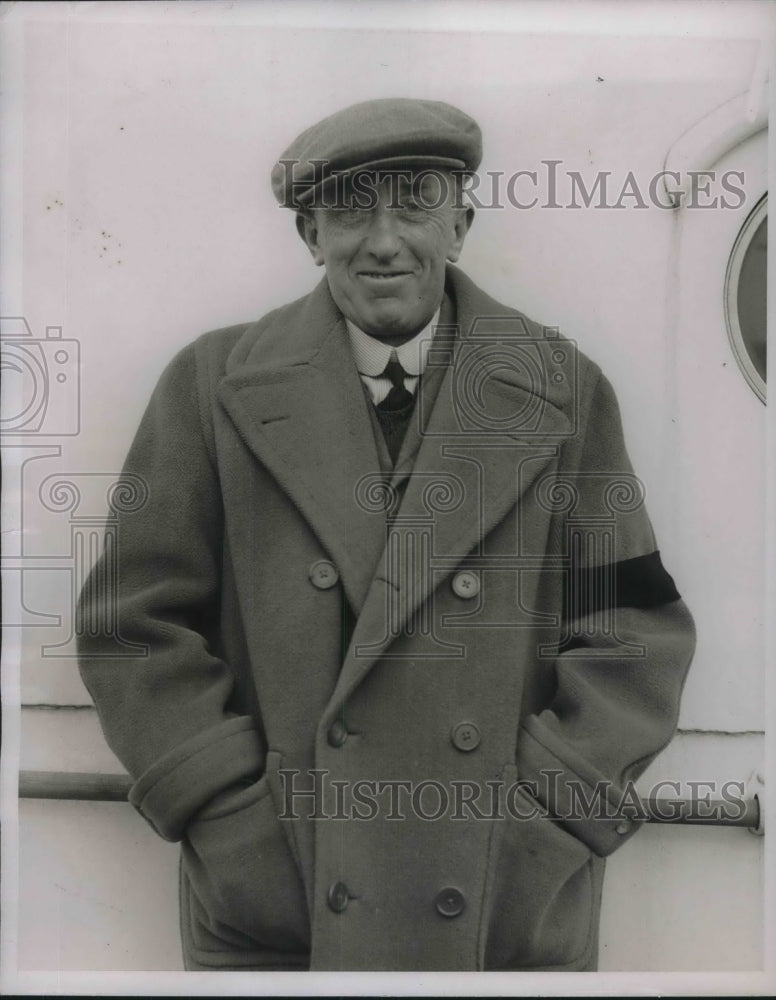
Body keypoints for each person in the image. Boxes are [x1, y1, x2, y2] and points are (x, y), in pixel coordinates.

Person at [77, 98, 696, 972]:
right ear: (308, 231)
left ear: (460, 223)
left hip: (498, 900)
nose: (383, 239)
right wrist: (228, 816)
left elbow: (635, 632)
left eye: (413, 204)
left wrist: (549, 822)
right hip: (282, 897)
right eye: (350, 209)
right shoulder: (210, 387)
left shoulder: (562, 388)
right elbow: (131, 629)